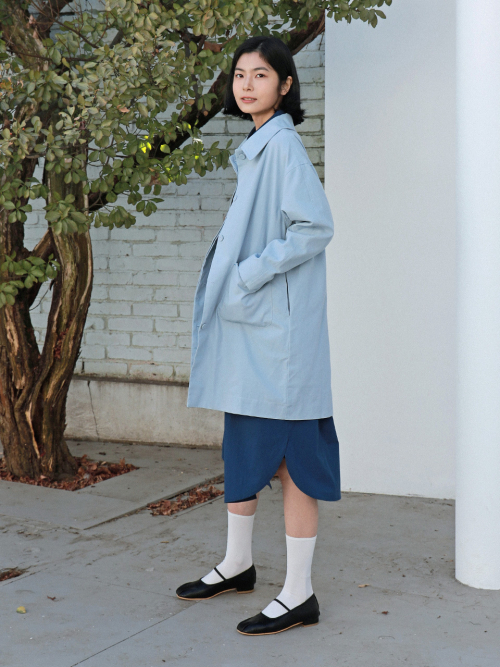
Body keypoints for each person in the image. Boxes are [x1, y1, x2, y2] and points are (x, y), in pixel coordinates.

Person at [177, 34, 341, 636]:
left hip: (279, 340)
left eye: (261, 75)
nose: (247, 85)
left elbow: (315, 226)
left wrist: (249, 272)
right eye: (240, 74)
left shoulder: (283, 147)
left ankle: (300, 593)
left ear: (285, 85)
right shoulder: (259, 144)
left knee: (294, 460)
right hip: (257, 331)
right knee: (244, 443)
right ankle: (238, 563)